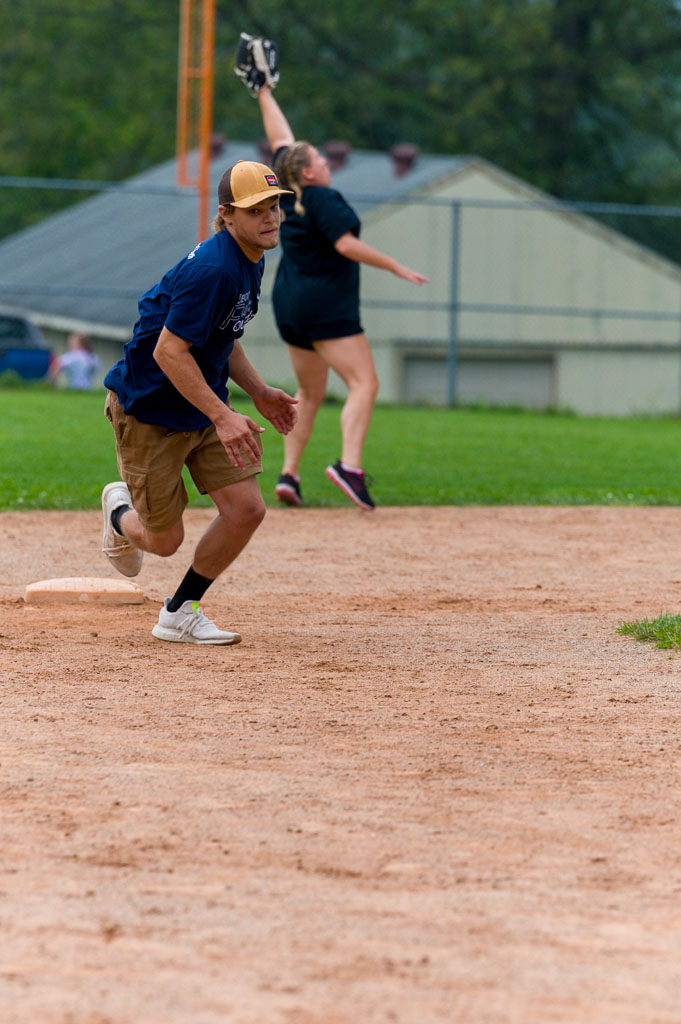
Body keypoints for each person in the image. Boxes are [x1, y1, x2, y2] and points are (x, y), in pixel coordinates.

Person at [101, 160, 298, 645]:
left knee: (247, 509)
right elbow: (169, 351)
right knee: (165, 542)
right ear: (228, 214)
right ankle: (117, 516)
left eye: (275, 206)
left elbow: (224, 336)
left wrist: (256, 392)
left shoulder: (251, 256)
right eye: (257, 209)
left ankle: (179, 612)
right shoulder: (213, 269)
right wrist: (224, 415)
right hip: (151, 411)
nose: (271, 217)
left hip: (203, 404)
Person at [235, 36, 429, 511]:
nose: (325, 160)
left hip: (290, 306)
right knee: (365, 384)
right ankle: (350, 466)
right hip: (326, 306)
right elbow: (345, 244)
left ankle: (288, 474)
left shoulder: (287, 191)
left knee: (310, 392)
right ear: (310, 172)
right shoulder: (324, 197)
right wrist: (395, 265)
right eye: (319, 158)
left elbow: (283, 141)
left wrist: (263, 91)